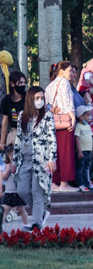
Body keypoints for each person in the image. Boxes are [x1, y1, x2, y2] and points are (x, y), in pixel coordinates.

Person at [15, 84, 57, 229]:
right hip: (25, 159)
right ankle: (42, 212)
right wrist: (15, 158)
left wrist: (52, 159)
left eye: (42, 98)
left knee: (37, 192)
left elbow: (52, 138)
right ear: (30, 99)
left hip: (41, 159)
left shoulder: (47, 115)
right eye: (37, 98)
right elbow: (18, 138)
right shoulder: (22, 116)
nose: (40, 100)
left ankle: (37, 223)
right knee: (22, 190)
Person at [45, 61, 79, 190]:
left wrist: (53, 110)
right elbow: (67, 101)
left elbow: (46, 104)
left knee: (55, 152)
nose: (71, 74)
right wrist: (72, 116)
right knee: (66, 151)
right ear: (61, 71)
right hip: (64, 122)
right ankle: (64, 183)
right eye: (69, 71)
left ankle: (54, 182)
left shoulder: (50, 85)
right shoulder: (64, 82)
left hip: (53, 122)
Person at [0, 70, 28, 148]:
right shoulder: (6, 100)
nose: (23, 85)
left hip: (27, 131)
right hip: (14, 131)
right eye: (20, 83)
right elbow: (5, 122)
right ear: (12, 84)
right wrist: (2, 142)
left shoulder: (28, 97)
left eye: (24, 83)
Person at [74, 105, 92, 192]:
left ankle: (87, 183)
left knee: (87, 168)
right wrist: (79, 151)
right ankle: (81, 184)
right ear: (81, 116)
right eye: (88, 115)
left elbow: (90, 138)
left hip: (88, 151)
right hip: (82, 151)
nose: (90, 117)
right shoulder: (78, 126)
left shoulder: (88, 126)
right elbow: (77, 138)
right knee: (80, 168)